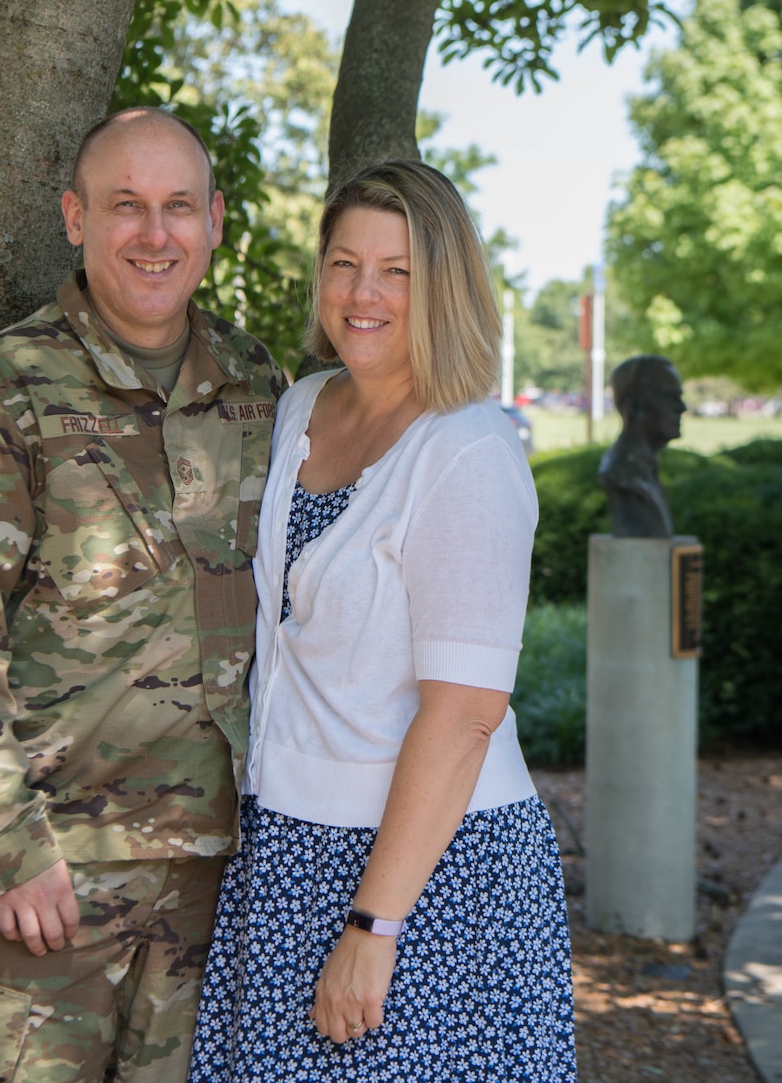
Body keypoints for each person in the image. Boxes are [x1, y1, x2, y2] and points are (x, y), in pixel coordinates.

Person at [0, 109, 286, 1083]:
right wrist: (8, 848)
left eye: (178, 206)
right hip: (51, 884)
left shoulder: (260, 391)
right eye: (124, 206)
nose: (154, 234)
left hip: (225, 884)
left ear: (216, 221)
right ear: (74, 216)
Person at [189, 159, 576, 1081]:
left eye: (397, 270)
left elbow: (466, 712)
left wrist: (375, 924)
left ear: (444, 285)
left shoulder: (467, 448)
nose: (363, 294)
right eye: (344, 263)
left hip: (430, 878)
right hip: (286, 851)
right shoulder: (300, 408)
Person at [598, 354, 685, 537]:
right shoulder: (620, 472)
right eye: (669, 397)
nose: (682, 407)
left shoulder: (643, 467)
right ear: (635, 406)